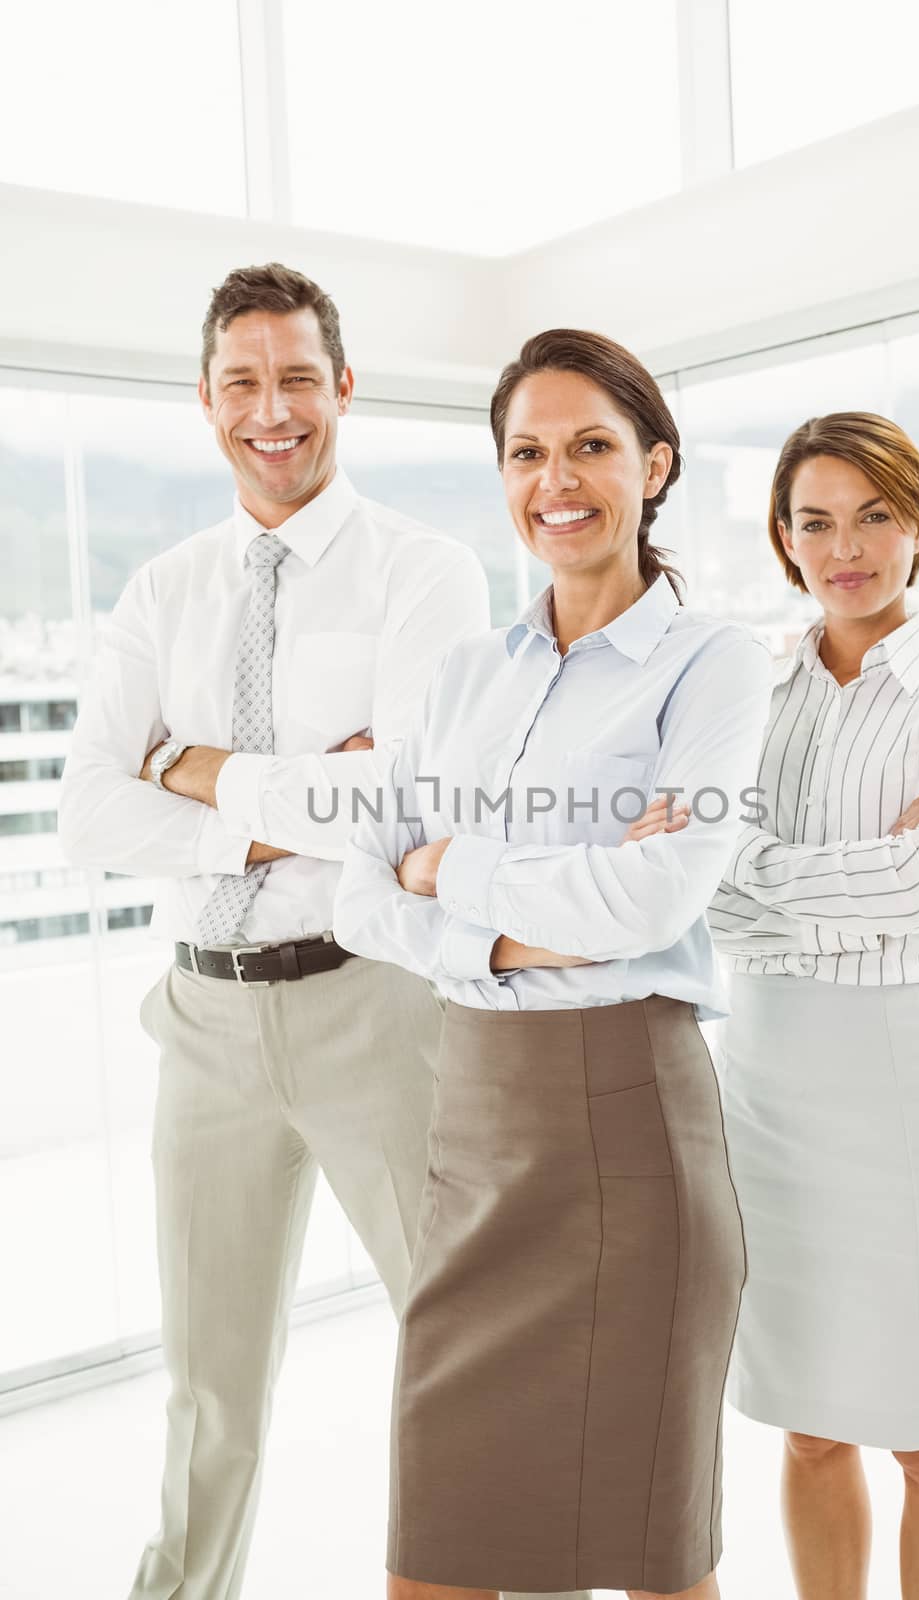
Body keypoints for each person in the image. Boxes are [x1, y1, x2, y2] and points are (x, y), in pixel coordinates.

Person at [57, 261, 502, 1600]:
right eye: (243, 381)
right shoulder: (165, 591)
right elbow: (87, 816)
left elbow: (403, 796)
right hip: (202, 1020)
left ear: (342, 387)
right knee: (209, 1389)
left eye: (297, 376)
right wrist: (295, 790)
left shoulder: (422, 571)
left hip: (374, 1005)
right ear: (206, 402)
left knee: (466, 1350)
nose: (273, 408)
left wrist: (188, 764)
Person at [330, 327, 774, 1600]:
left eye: (589, 445)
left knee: (650, 1563)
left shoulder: (714, 664)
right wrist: (512, 909)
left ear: (654, 465)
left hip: (628, 1129)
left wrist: (447, 866)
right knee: (437, 1563)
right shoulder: (462, 673)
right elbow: (360, 894)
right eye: (526, 452)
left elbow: (653, 893)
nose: (555, 479)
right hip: (470, 1128)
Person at [705, 412, 919, 1600]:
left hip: (905, 1081)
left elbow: (915, 887)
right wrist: (804, 877)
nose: (844, 547)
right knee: (805, 1423)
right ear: (783, 541)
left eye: (872, 515)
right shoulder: (747, 684)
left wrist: (756, 865)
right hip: (768, 1073)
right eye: (813, 521)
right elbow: (710, 895)